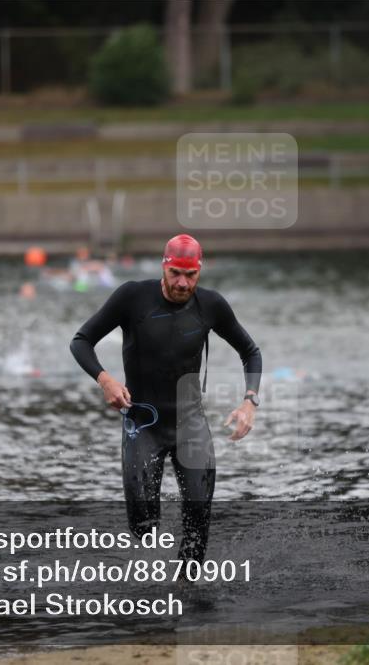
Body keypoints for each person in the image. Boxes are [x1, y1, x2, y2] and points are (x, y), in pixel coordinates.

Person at [70, 234, 261, 565]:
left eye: (190, 275)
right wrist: (105, 380)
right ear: (164, 267)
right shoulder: (133, 297)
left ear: (199, 271)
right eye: (175, 273)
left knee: (198, 520)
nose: (183, 283)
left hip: (191, 424)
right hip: (143, 424)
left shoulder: (211, 305)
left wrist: (249, 402)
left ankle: (187, 594)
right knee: (143, 527)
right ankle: (149, 592)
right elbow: (81, 341)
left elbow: (250, 352)